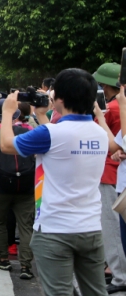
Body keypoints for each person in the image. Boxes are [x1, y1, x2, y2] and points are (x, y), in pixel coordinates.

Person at [0, 68, 116, 296]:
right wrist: (43, 114)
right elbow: (63, 141)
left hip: (55, 230)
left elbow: (6, 145)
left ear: (59, 99)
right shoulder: (100, 134)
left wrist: (7, 112)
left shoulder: (50, 134)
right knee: (96, 292)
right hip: (91, 229)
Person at [0, 99, 35, 280]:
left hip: (2, 186)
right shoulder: (28, 132)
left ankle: (3, 258)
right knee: (26, 225)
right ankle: (26, 266)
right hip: (27, 186)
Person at [92, 62, 126, 294]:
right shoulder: (116, 108)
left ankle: (120, 276)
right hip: (114, 172)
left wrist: (97, 115)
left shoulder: (113, 109)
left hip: (109, 172)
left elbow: (105, 139)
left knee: (111, 227)